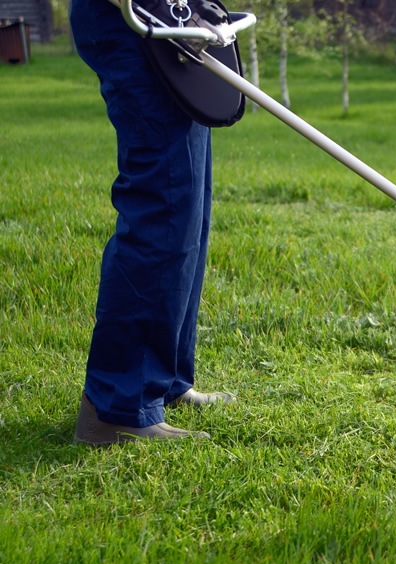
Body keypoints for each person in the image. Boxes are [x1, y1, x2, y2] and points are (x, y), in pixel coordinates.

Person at [71, 0, 234, 445]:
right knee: (163, 205)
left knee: (188, 210)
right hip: (131, 19)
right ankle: (118, 407)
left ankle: (165, 382)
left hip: (171, 20)